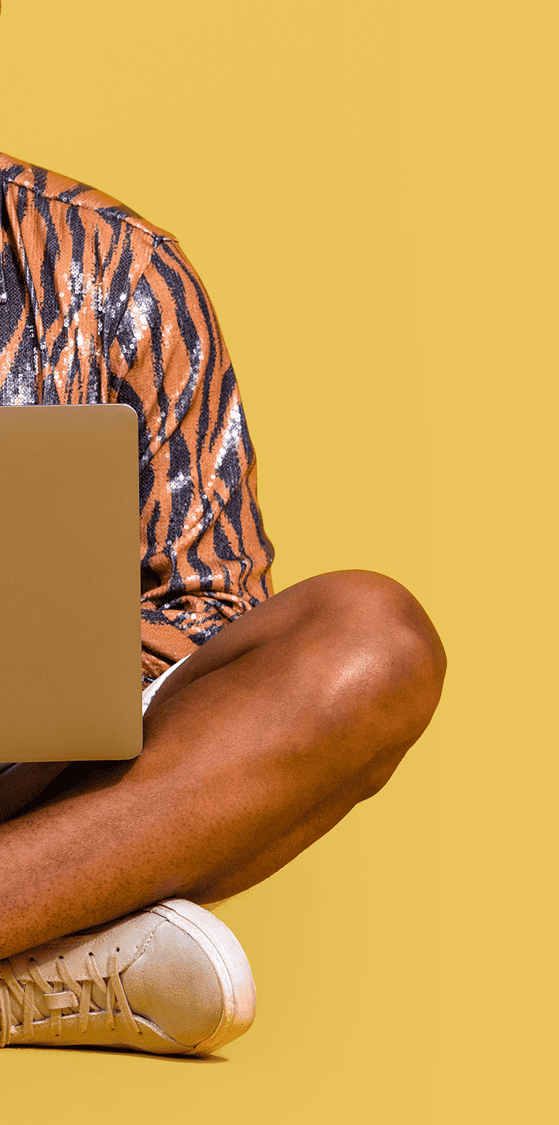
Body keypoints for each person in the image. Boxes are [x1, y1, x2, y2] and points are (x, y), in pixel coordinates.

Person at [0, 150, 447, 1055]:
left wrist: (50, 677)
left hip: (34, 789)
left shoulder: (113, 268)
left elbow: (213, 598)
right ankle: (29, 974)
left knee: (372, 644)